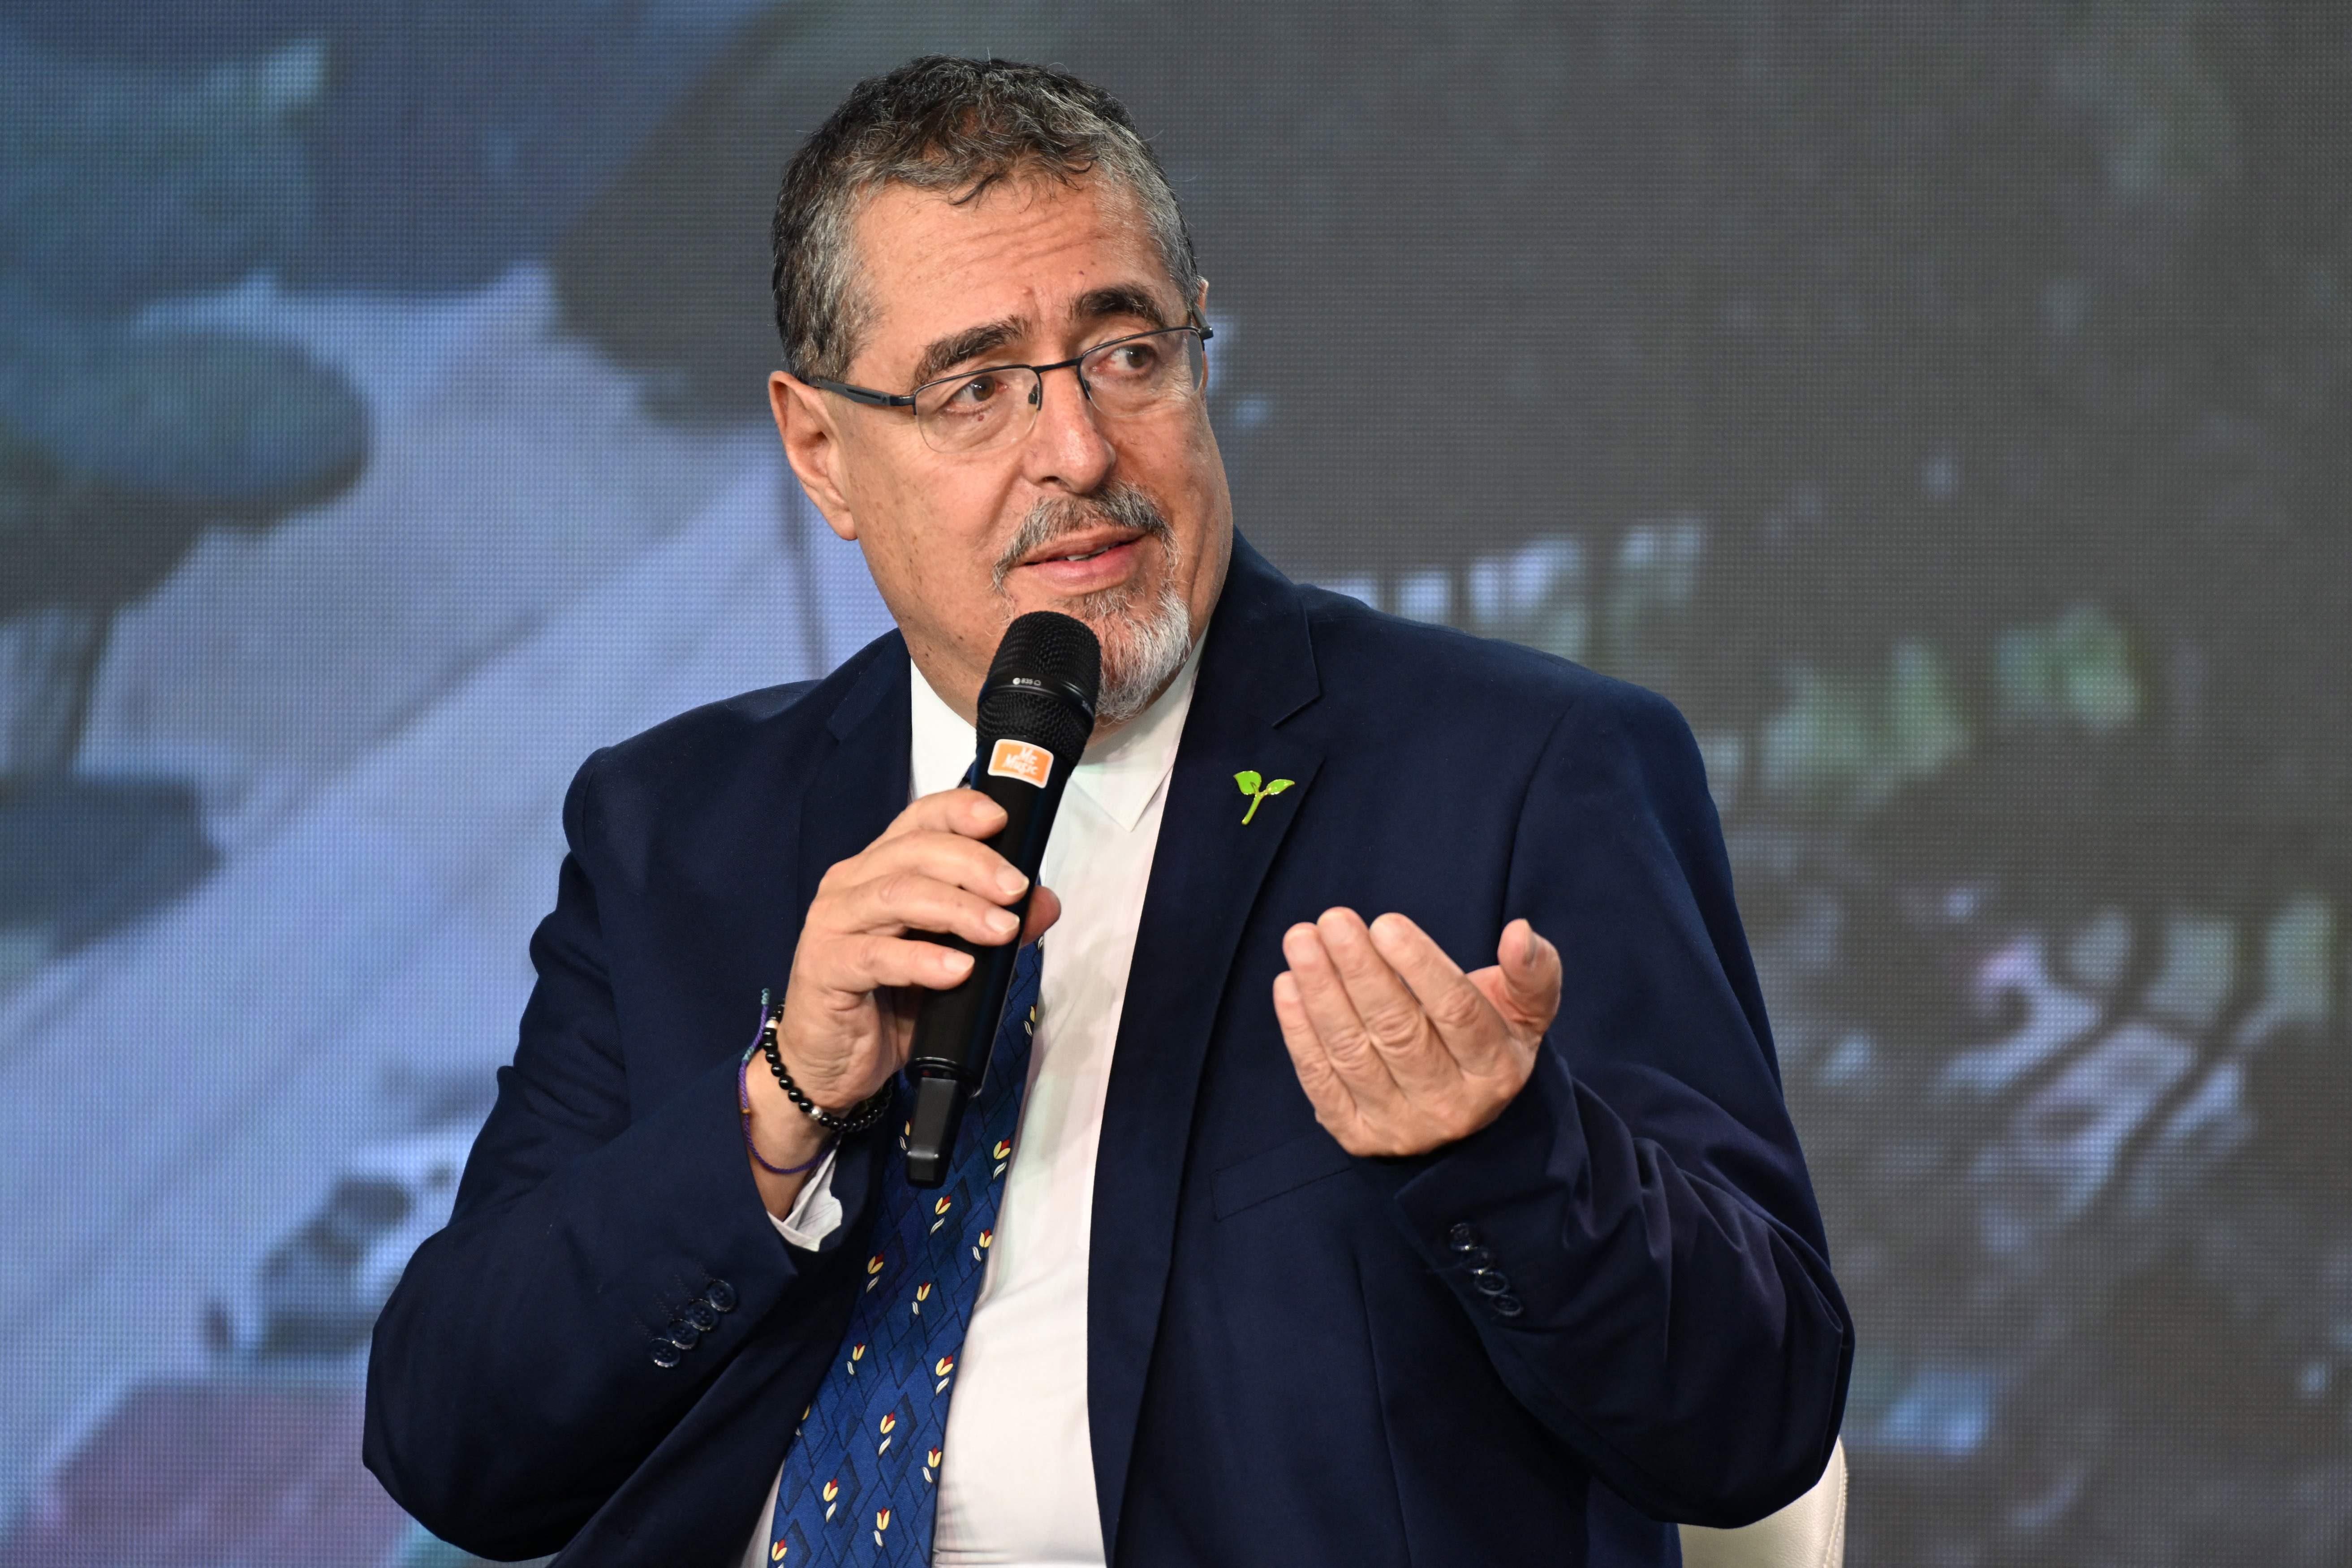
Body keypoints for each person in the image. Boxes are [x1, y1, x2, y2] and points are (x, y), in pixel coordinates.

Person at [364, 56, 1852, 1568]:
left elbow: (1757, 1417)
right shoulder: (673, 824)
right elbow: (456, 1447)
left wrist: (1508, 1151)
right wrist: (778, 1111)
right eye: (976, 387)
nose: (1077, 451)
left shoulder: (1523, 771)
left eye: (1127, 353)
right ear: (821, 449)